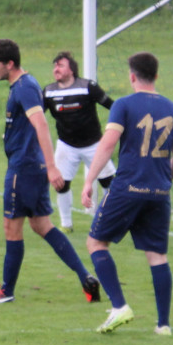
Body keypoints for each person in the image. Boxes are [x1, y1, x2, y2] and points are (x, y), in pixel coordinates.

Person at [0, 39, 100, 305]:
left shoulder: (25, 87)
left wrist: (52, 166)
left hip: (24, 168)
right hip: (31, 166)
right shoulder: (23, 85)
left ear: (10, 64)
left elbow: (41, 124)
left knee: (11, 227)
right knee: (42, 225)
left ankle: (6, 291)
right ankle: (86, 277)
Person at [82, 52, 173, 335]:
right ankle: (163, 325)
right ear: (156, 75)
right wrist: (166, 180)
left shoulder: (124, 105)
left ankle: (119, 306)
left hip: (127, 188)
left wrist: (89, 180)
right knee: (157, 255)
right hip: (159, 192)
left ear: (132, 76)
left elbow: (107, 144)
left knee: (96, 243)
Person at [43, 50, 117, 232]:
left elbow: (113, 106)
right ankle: (66, 224)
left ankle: (109, 221)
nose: (56, 69)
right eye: (54, 66)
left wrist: (119, 126)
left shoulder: (87, 87)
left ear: (72, 70)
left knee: (110, 183)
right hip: (66, 145)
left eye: (60, 65)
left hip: (94, 145)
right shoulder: (49, 92)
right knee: (61, 184)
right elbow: (37, 116)